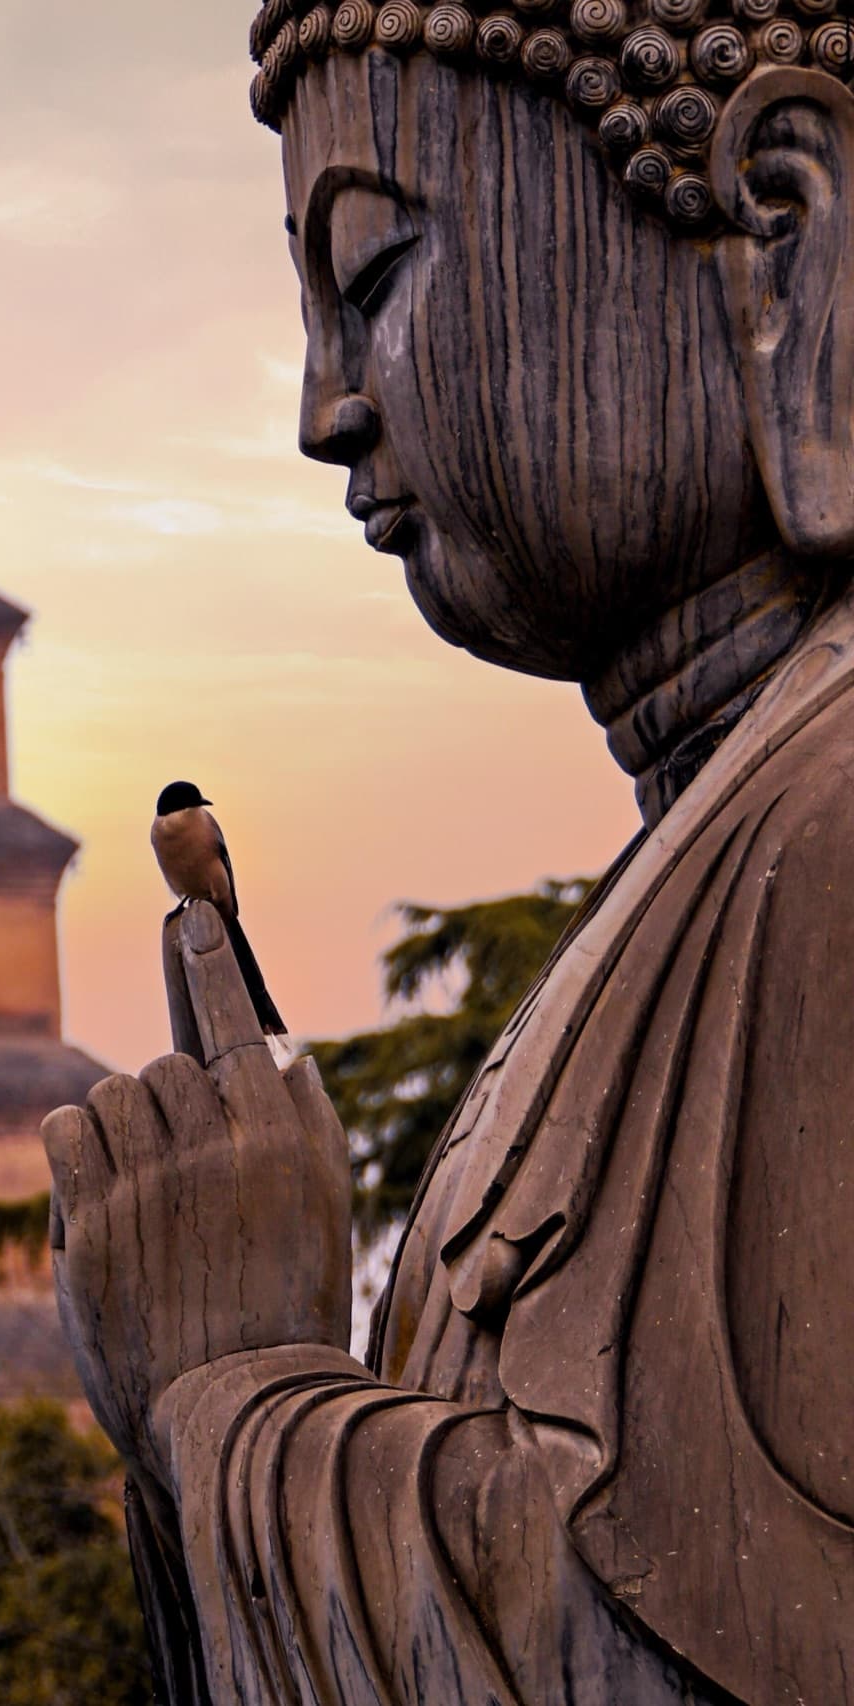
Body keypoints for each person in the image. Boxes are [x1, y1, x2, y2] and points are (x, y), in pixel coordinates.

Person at [43, 7, 854, 1700]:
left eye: (378, 273)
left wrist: (236, 1383)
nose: (325, 411)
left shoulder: (824, 829)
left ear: (782, 229)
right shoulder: (702, 852)